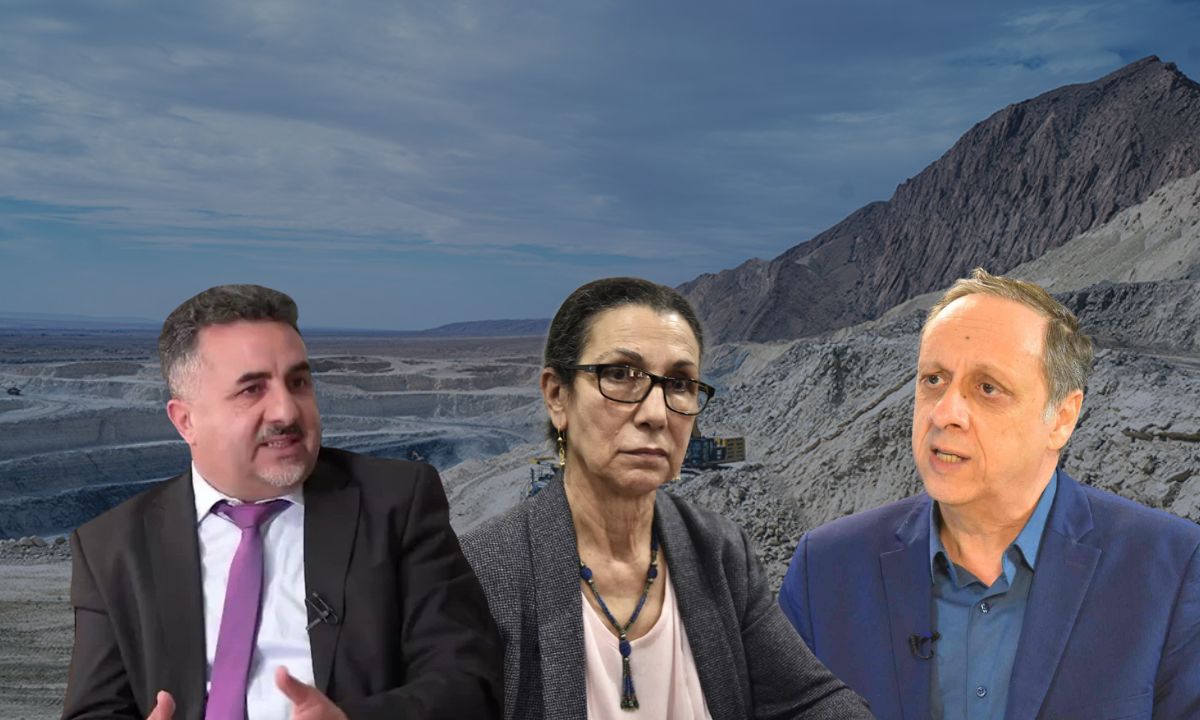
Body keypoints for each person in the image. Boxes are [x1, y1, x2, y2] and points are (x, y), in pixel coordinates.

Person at [62, 284, 502, 720]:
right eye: (252, 389)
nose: (287, 412)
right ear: (186, 421)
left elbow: (469, 684)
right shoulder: (112, 547)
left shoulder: (396, 504)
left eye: (298, 382)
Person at [778, 269, 1200, 720]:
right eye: (933, 380)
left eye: (987, 388)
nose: (945, 413)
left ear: (1062, 417)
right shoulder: (824, 570)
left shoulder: (1171, 569)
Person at [460, 277, 872, 720]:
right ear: (558, 396)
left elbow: (810, 701)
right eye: (620, 374)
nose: (656, 414)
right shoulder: (481, 576)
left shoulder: (718, 553)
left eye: (679, 383)